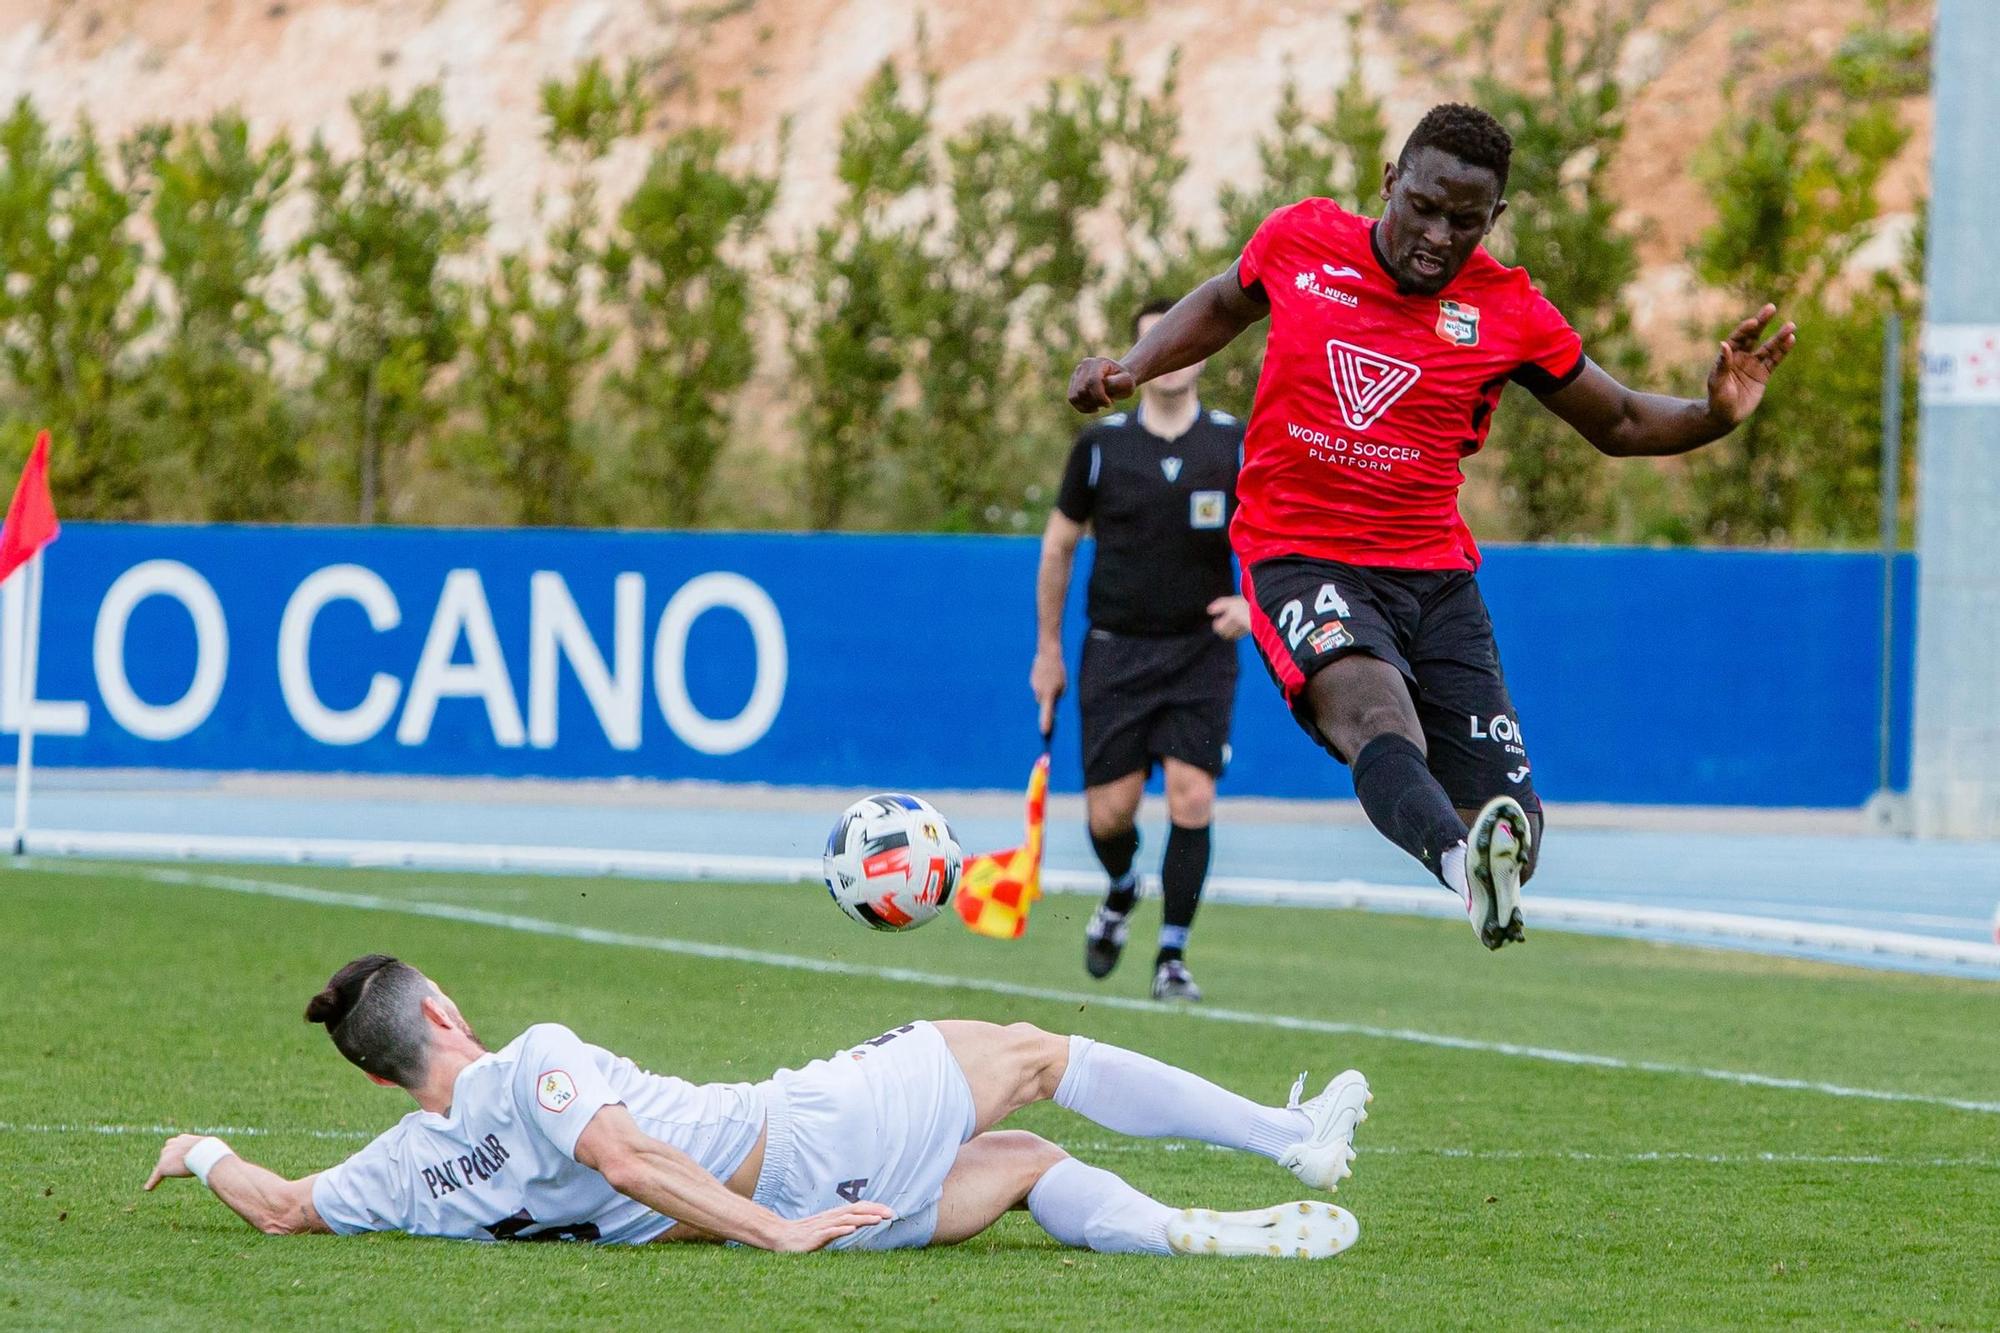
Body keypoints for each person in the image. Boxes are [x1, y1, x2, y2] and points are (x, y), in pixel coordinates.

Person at [1066, 103, 1795, 951]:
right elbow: (1227, 301)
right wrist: (1132, 366)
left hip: (1434, 575)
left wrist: (1713, 416)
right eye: (1424, 206)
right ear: (1389, 183)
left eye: (1467, 221)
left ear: (1497, 219)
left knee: (1516, 824)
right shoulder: (1302, 241)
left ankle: (1484, 859)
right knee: (1379, 721)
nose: (1440, 235)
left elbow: (1623, 421)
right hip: (1299, 554)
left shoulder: (1511, 313)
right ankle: (1461, 870)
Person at [144, 954, 1375, 1259]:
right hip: (802, 1141)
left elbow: (282, 1209)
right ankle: (1292, 1139)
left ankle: (1176, 1227)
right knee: (1028, 1050)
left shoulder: (402, 1169)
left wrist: (198, 1149)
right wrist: (777, 1232)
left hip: (835, 1205)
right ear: (445, 1013)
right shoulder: (529, 1059)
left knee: (1018, 1157)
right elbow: (623, 1155)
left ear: (374, 1076)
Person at [1033, 298, 1250, 1003]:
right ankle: (1123, 889)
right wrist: (1047, 650)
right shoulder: (1100, 449)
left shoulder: (1232, 444)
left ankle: (1172, 955)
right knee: (1110, 814)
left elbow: (1278, 532)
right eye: (1153, 344)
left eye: (1181, 339)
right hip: (1115, 653)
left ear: (1204, 350)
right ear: (1133, 362)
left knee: (1192, 795)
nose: (1170, 353)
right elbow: (1060, 546)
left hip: (1200, 653)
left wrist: (1254, 603)